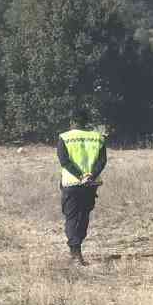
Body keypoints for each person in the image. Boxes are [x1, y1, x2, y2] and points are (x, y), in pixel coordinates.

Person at [56, 113, 108, 265]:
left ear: (72, 122)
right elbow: (102, 160)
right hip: (90, 185)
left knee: (71, 217)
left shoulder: (64, 137)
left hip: (71, 184)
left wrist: (80, 176)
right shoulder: (98, 137)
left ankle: (75, 251)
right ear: (87, 122)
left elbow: (64, 161)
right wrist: (91, 175)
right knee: (84, 215)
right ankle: (77, 245)